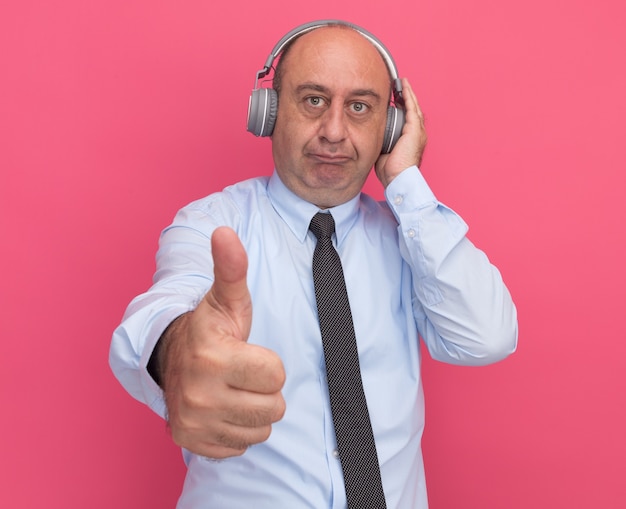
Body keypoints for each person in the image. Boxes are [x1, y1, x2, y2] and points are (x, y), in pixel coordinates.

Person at [110, 19, 517, 508]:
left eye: (360, 108)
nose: (334, 132)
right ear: (269, 111)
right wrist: (177, 357)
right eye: (314, 100)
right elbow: (161, 311)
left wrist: (405, 181)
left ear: (387, 129)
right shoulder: (213, 224)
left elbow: (486, 337)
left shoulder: (412, 235)